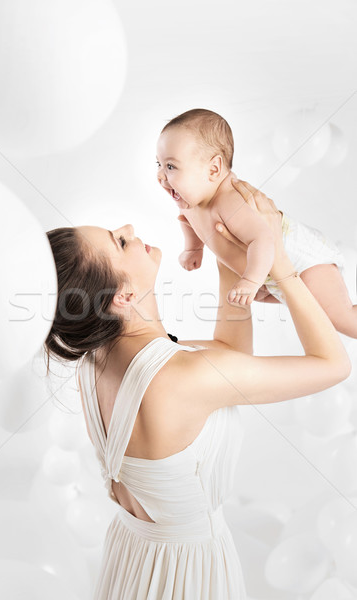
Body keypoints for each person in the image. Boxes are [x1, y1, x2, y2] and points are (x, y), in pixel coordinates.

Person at [43, 180, 351, 600]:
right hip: (187, 574)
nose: (130, 228)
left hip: (134, 556)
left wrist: (228, 256)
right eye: (120, 241)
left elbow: (226, 352)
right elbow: (333, 365)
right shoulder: (183, 376)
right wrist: (280, 265)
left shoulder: (96, 359)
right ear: (124, 296)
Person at [156, 108, 357, 338]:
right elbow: (187, 220)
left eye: (170, 166)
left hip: (303, 260)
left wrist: (251, 280)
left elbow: (262, 238)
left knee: (340, 318)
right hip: (273, 277)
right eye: (159, 164)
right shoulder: (190, 201)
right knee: (300, 306)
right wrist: (193, 248)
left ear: (213, 169)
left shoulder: (228, 201)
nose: (161, 175)